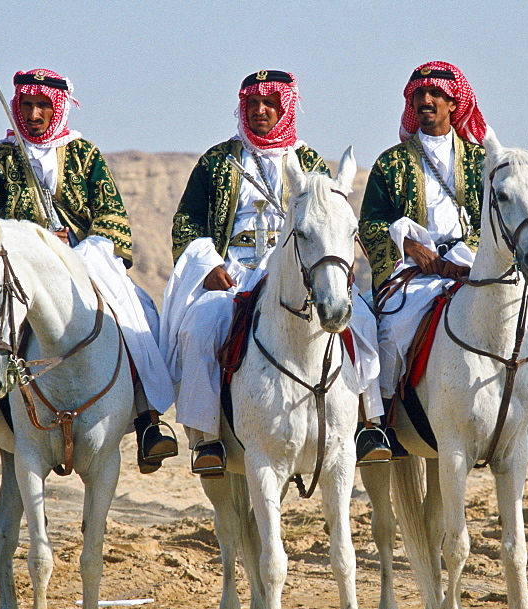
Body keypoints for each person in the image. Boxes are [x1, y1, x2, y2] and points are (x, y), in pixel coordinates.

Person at [159, 70, 386, 477]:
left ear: (286, 107)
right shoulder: (217, 160)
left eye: (270, 104)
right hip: (232, 272)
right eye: (252, 104)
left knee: (362, 321)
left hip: (295, 271)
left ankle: (370, 424)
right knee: (199, 327)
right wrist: (207, 264)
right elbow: (187, 223)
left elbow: (331, 220)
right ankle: (207, 437)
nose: (260, 111)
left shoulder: (310, 160)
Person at [0, 68, 178, 474]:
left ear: (58, 107)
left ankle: (148, 419)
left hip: (81, 258)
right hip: (17, 267)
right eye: (28, 105)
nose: (35, 114)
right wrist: (30, 243)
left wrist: (73, 248)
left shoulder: (84, 155)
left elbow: (113, 219)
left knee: (139, 307)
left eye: (43, 105)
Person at [359, 61, 528, 463]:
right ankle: (381, 425)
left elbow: (505, 211)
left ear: (455, 102)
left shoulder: (480, 160)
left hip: (473, 262)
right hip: (413, 268)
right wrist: (408, 244)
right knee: (393, 327)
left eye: (436, 94)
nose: (427, 101)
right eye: (419, 95)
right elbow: (369, 224)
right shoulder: (391, 163)